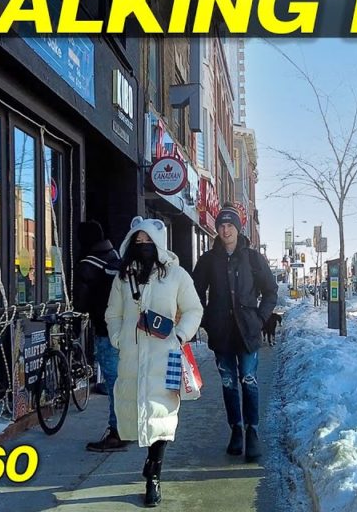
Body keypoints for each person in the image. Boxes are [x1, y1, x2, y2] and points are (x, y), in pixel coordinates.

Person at [105, 217, 203, 507]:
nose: (144, 246)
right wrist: (118, 339)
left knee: (163, 414)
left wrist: (179, 337)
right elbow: (113, 314)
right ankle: (150, 461)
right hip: (132, 356)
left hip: (166, 356)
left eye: (149, 241)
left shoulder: (177, 275)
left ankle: (154, 476)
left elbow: (193, 310)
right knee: (134, 409)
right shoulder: (123, 278)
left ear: (158, 243)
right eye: (139, 241)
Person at [193, 204, 278, 462]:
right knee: (229, 383)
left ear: (238, 228)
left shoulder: (253, 259)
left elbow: (271, 291)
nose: (225, 229)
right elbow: (194, 293)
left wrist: (261, 318)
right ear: (217, 229)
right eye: (221, 225)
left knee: (248, 380)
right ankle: (236, 430)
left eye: (230, 225)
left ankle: (252, 430)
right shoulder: (208, 260)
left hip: (247, 333)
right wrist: (207, 319)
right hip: (221, 335)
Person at [74, 221, 126, 453]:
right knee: (123, 382)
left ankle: (117, 432)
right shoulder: (116, 257)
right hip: (125, 330)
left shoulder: (88, 265)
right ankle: (127, 428)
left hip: (105, 331)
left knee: (114, 383)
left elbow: (81, 305)